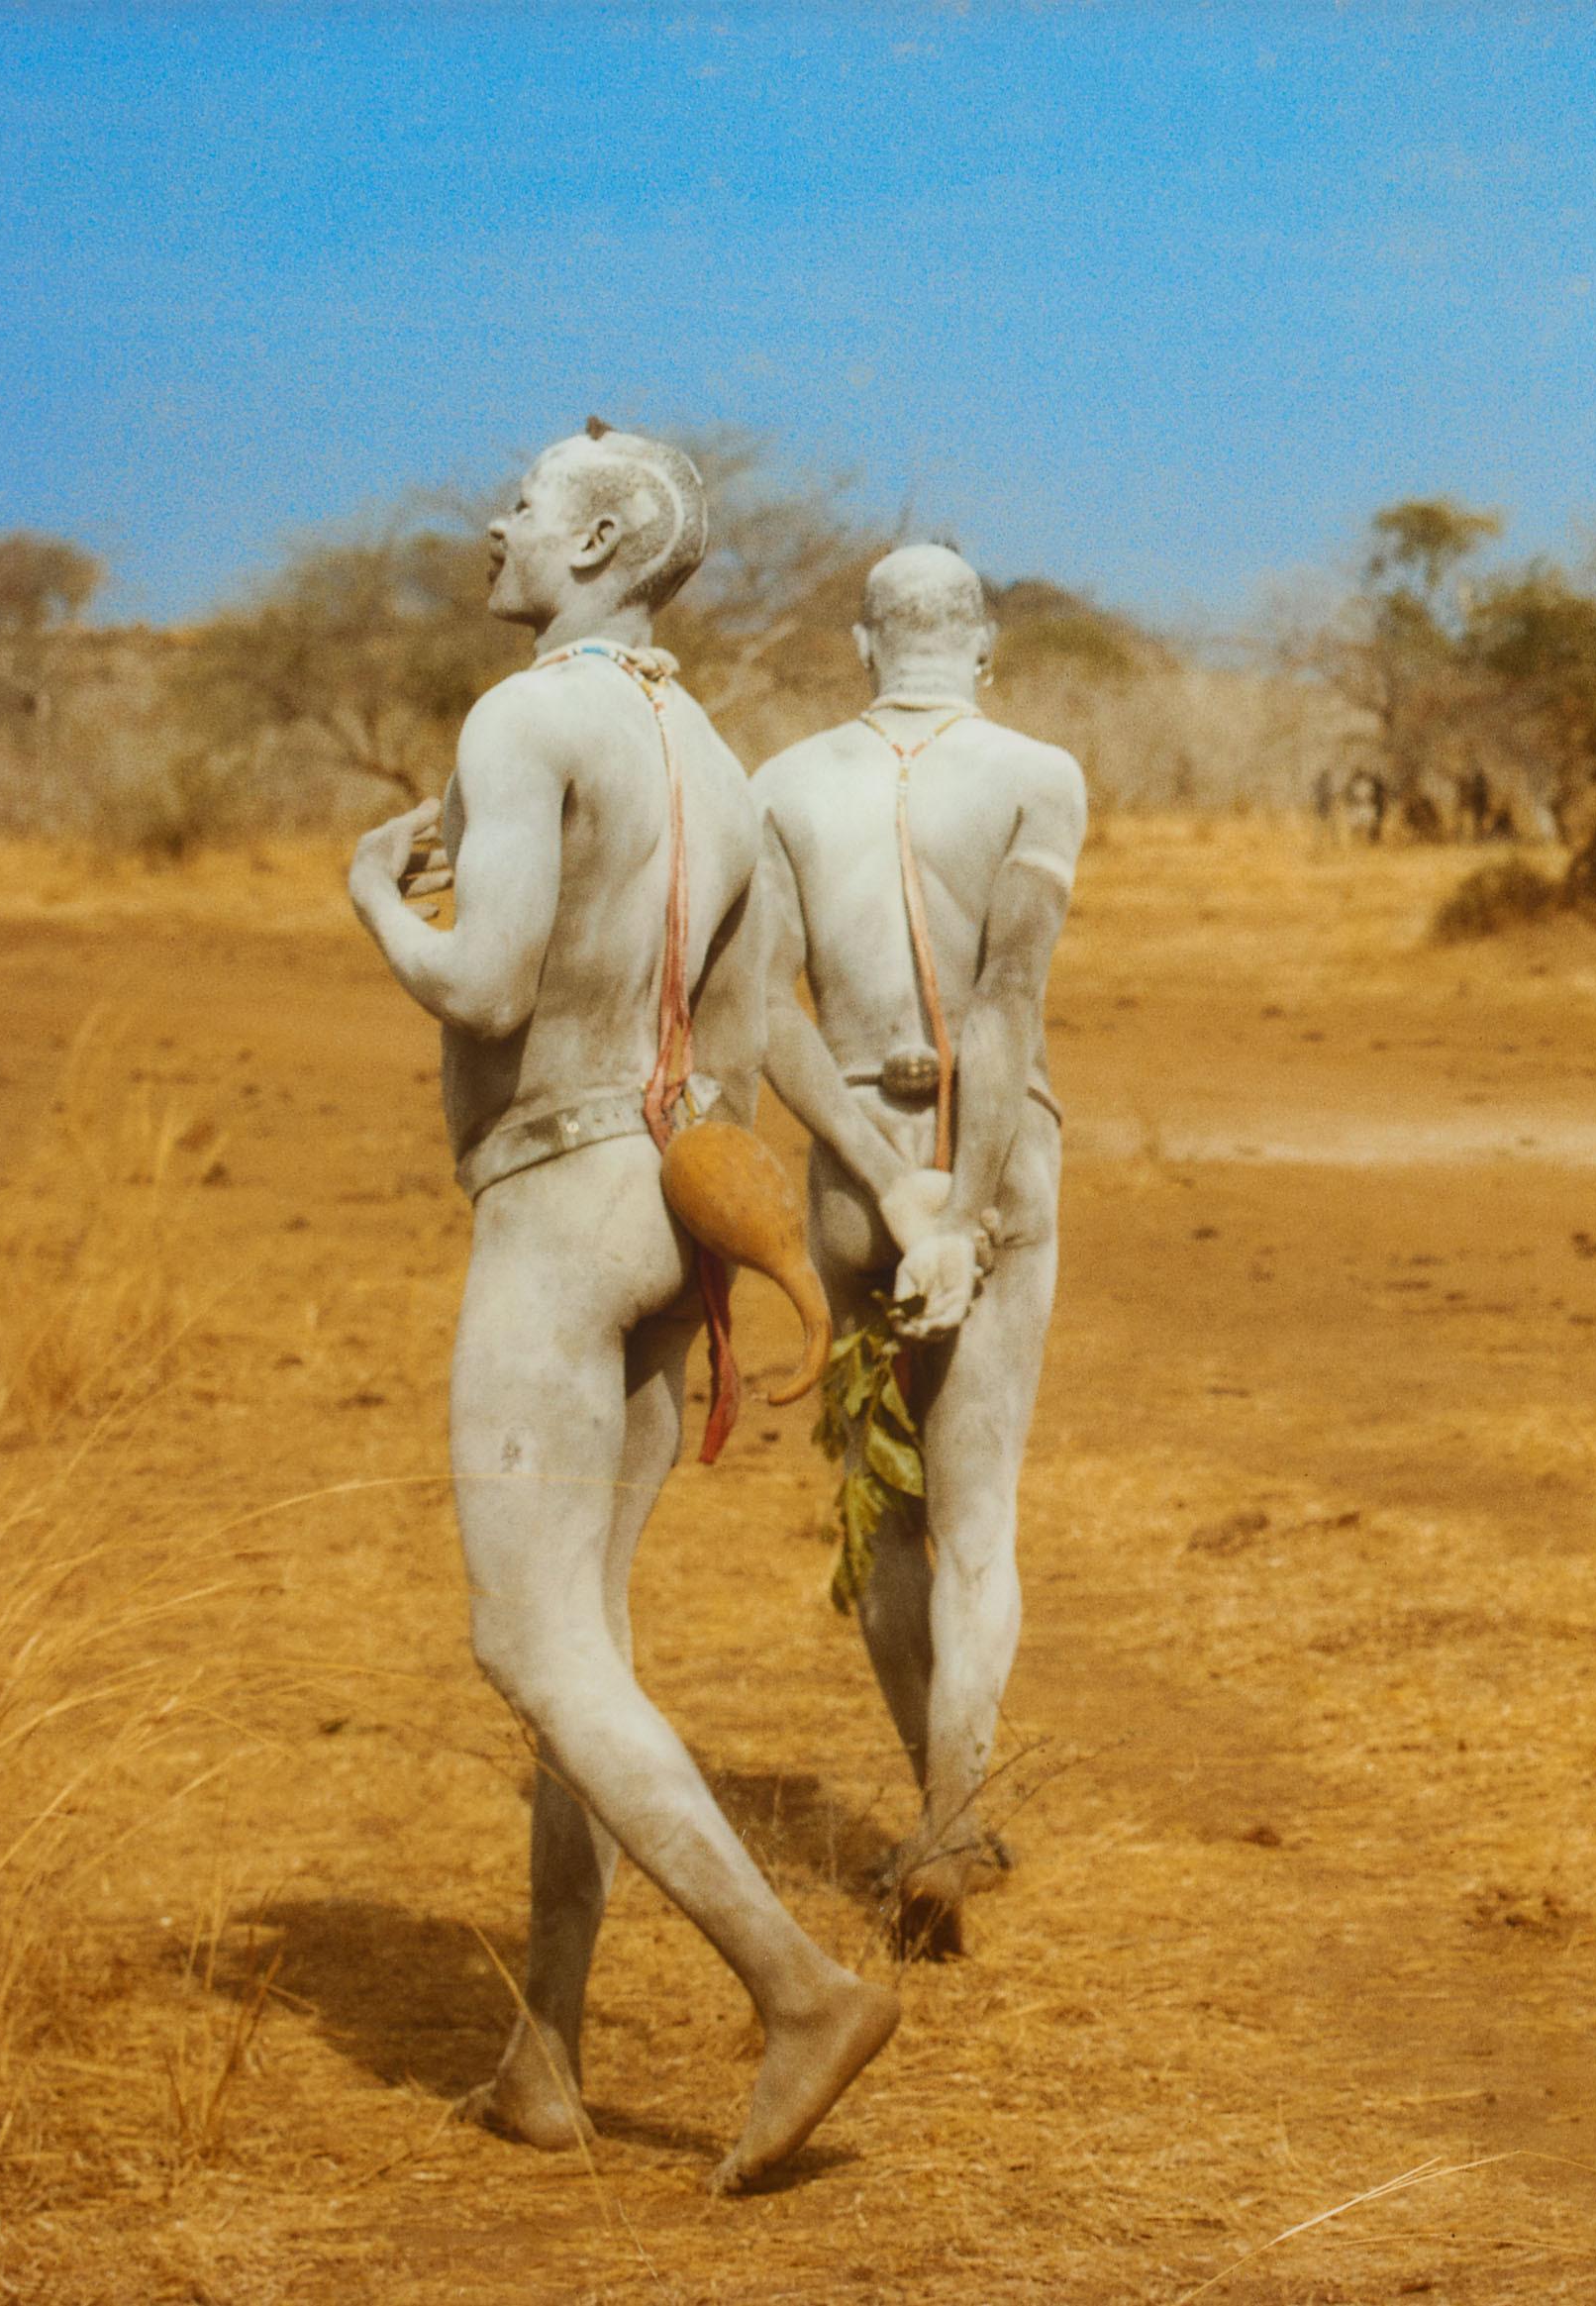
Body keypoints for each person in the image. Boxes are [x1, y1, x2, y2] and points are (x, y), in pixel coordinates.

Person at [346, 423, 899, 2193]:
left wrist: (374, 893)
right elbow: (738, 1043)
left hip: (555, 1206)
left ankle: (798, 1986)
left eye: (518, 499)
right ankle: (547, 2052)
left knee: (531, 1643)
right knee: (589, 1644)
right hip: (671, 1209)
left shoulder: (525, 719)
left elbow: (484, 972)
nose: (493, 517)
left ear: (593, 535)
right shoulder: (717, 757)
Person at [753, 546, 1090, 1957]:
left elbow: (764, 1004)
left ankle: (933, 1807)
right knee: (978, 1514)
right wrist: (962, 1203)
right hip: (996, 1147)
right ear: (986, 645)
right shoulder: (1035, 773)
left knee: (883, 1512)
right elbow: (1007, 994)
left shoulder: (780, 785)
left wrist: (889, 1186)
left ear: (859, 642)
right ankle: (953, 1816)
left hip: (850, 1159)